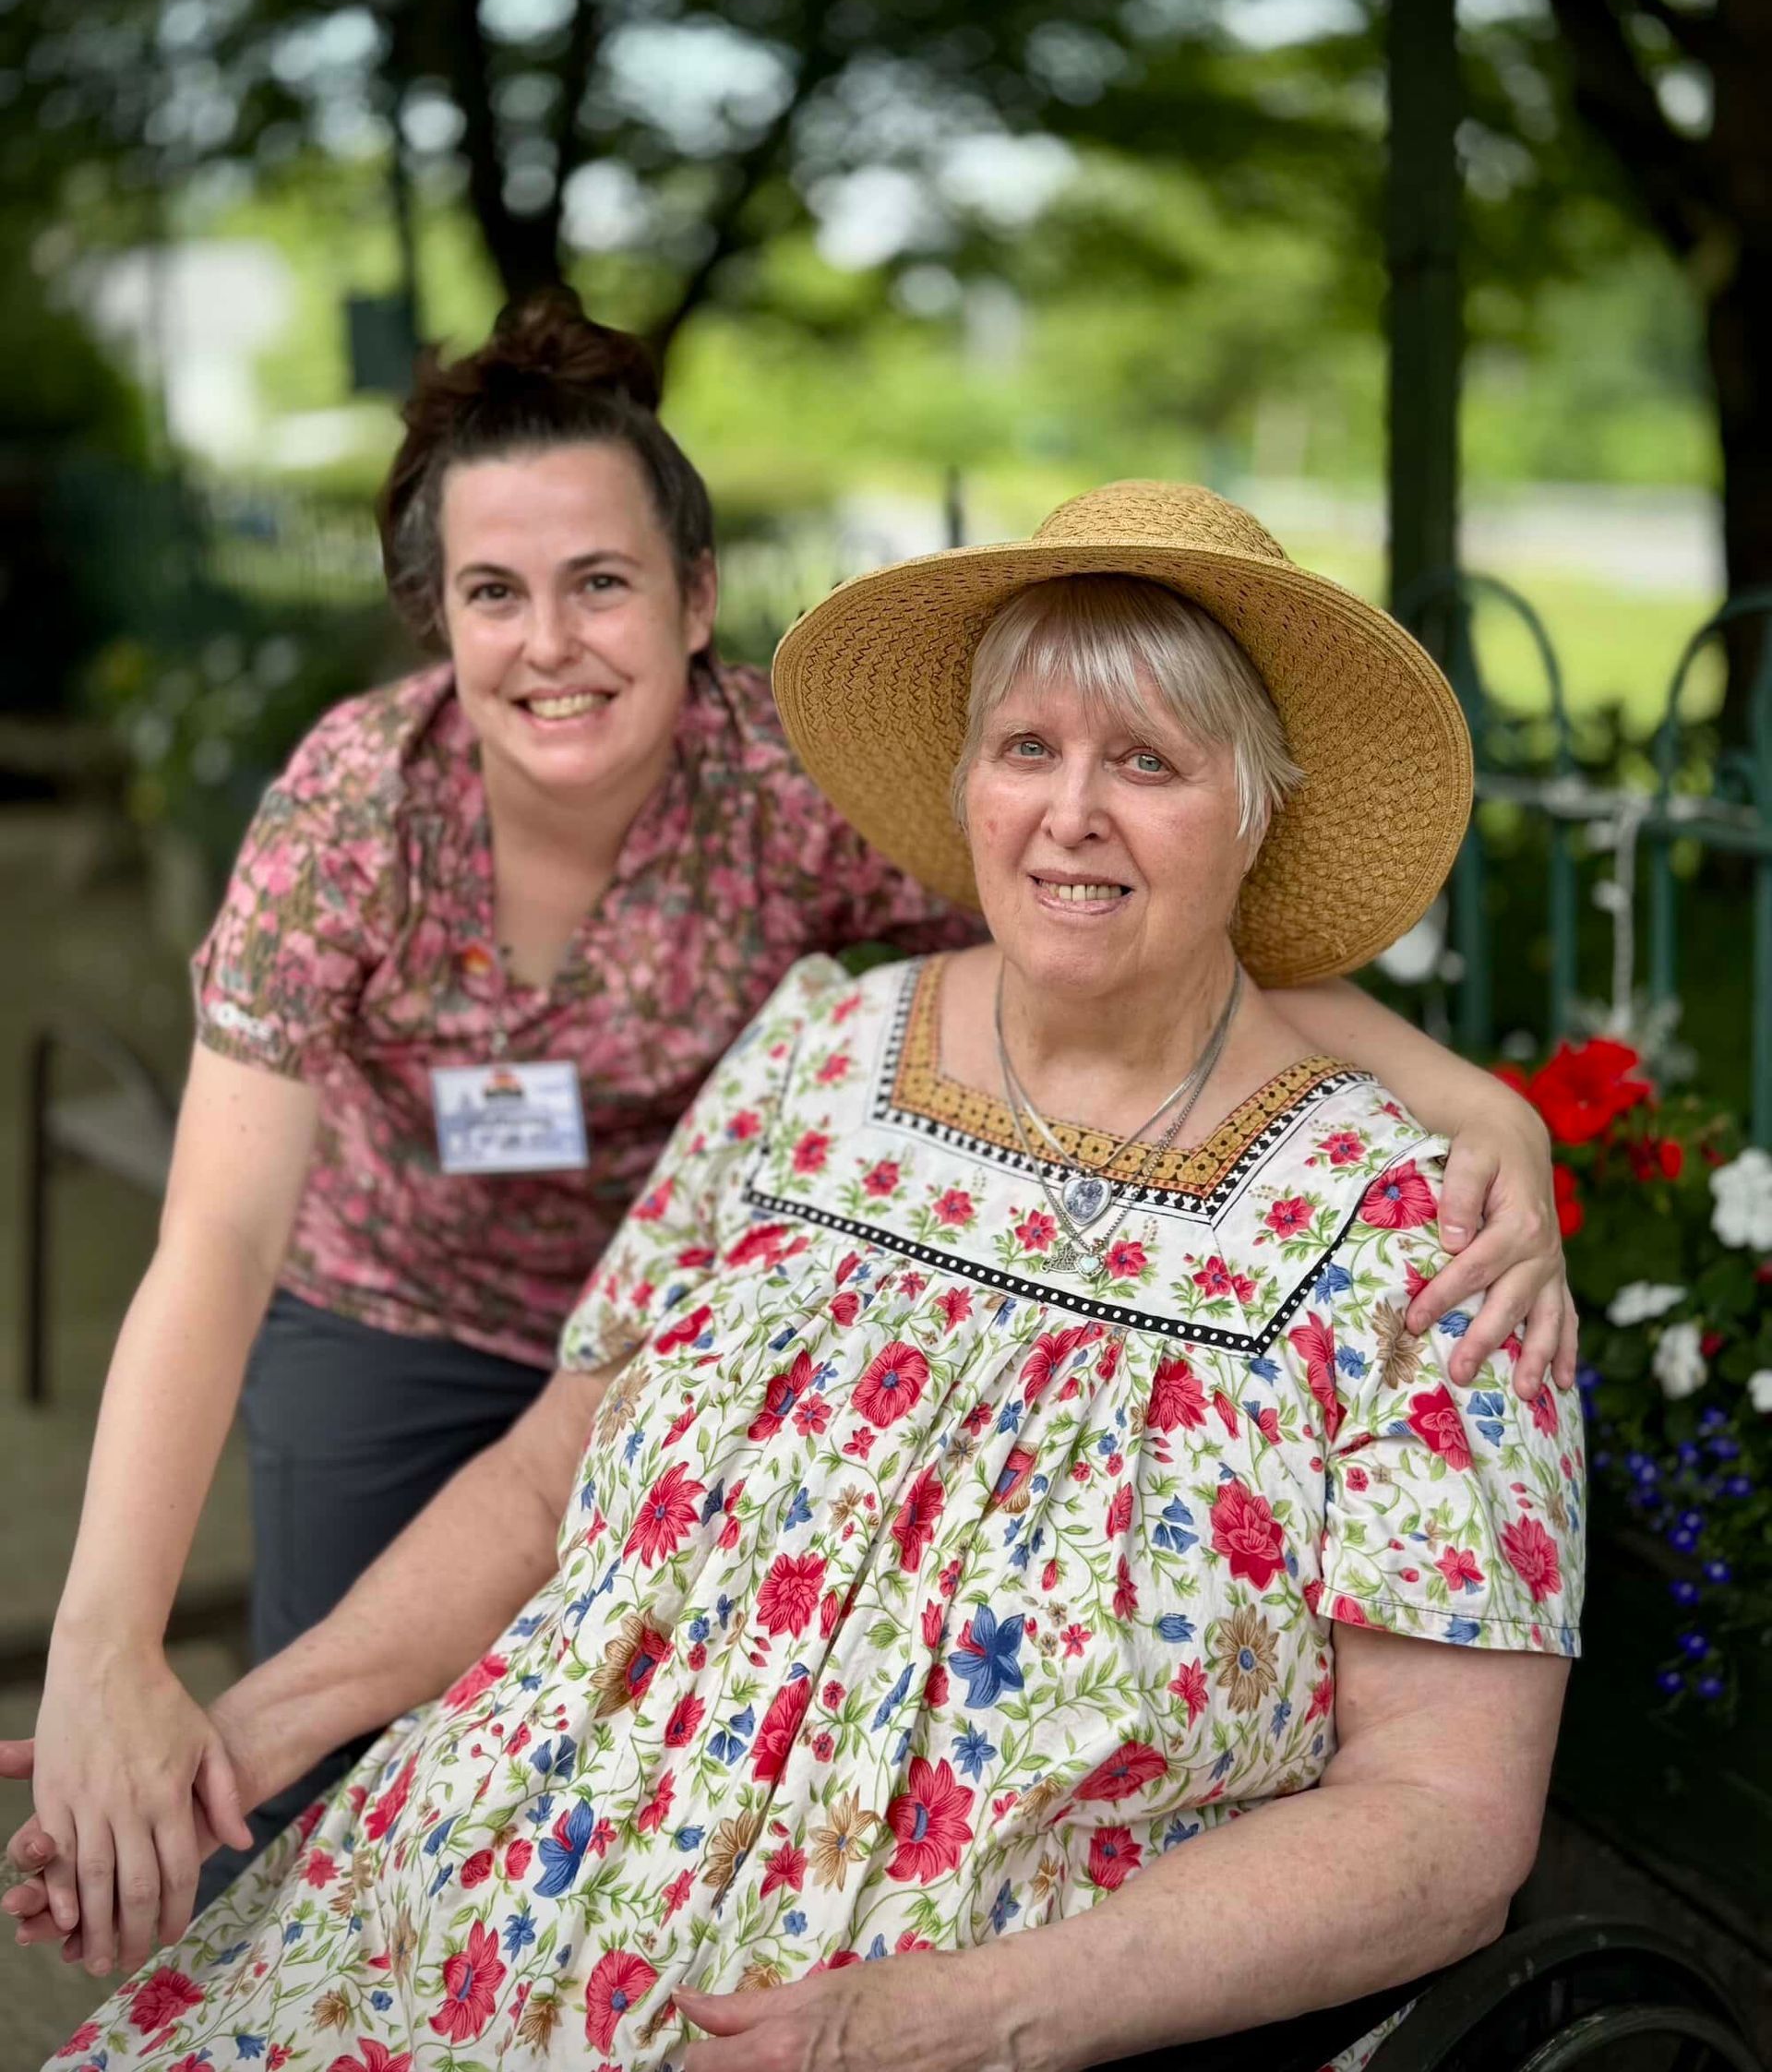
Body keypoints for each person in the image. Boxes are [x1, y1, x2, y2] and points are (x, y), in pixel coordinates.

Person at [11, 480, 1581, 2072]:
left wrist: (986, 2020)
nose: (1071, 811)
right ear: (968, 780)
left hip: (925, 2010)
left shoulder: (1421, 1232)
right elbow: (543, 1473)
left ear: (1260, 808)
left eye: (1151, 763)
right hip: (454, 1908)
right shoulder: (817, 1051)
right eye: (1026, 748)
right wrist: (229, 1745)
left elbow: (1444, 1821)